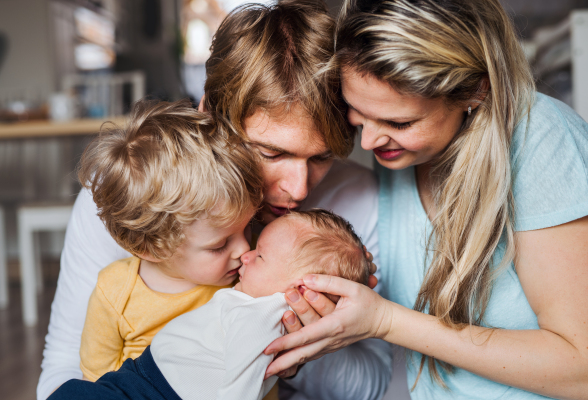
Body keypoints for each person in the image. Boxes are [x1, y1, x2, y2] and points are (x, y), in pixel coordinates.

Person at [37, 2, 393, 400]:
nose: (299, 189)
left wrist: (300, 344)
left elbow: (370, 385)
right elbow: (64, 367)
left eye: (322, 156)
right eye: (271, 153)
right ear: (210, 113)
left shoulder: (357, 198)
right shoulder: (134, 193)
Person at [264, 0, 588, 399]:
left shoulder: (539, 140)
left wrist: (384, 319)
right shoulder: (405, 156)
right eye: (357, 113)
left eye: (399, 122)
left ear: (476, 90)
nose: (368, 141)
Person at [49, 210, 372, 400]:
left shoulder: (263, 316)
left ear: (300, 288)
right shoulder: (251, 298)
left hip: (157, 390)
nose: (245, 253)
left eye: (258, 255)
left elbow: (241, 386)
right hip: (144, 377)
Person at [75, 99, 261, 382]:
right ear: (149, 247)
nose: (245, 249)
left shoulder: (249, 278)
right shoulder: (115, 293)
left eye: (247, 229)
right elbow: (97, 381)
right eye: (219, 245)